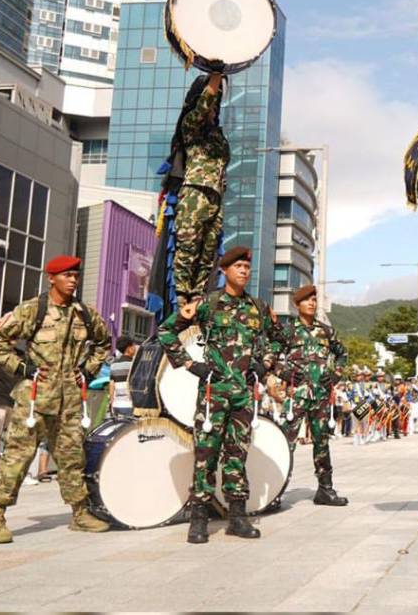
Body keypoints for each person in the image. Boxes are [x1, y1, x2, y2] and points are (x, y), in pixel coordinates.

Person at [0, 255, 112, 544]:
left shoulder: (85, 314)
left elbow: (104, 343)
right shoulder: (33, 310)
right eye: (67, 275)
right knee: (18, 457)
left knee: (72, 458)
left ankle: (80, 513)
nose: (73, 280)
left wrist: (88, 370)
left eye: (76, 275)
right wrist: (21, 368)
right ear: (51, 278)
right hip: (35, 399)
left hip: (69, 401)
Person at [157, 246, 275, 544]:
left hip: (243, 395)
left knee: (238, 453)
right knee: (205, 453)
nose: (244, 271)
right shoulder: (208, 304)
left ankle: (237, 515)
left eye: (247, 267)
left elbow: (276, 339)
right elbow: (166, 331)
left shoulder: (258, 308)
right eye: (238, 266)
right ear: (224, 271)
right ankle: (199, 518)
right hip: (213, 393)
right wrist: (189, 364)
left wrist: (264, 364)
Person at [278, 285, 349, 507]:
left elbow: (342, 354)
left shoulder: (325, 331)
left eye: (314, 300)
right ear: (296, 304)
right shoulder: (288, 331)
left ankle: (325, 490)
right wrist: (284, 372)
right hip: (296, 396)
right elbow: (268, 353)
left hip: (320, 395)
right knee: (285, 443)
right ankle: (276, 490)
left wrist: (334, 375)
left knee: (321, 442)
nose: (312, 303)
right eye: (307, 300)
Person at [171, 72, 230, 305]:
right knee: (188, 244)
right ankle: (182, 295)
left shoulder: (217, 135)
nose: (213, 108)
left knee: (209, 249)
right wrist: (215, 76)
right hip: (195, 191)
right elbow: (204, 104)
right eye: (211, 104)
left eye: (217, 105)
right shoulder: (191, 126)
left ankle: (198, 294)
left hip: (215, 195)